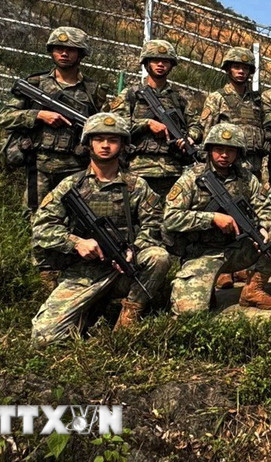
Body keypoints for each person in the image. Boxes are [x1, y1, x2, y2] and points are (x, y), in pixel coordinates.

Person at [30, 113, 170, 346]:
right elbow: (42, 228)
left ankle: (129, 315)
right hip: (83, 272)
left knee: (158, 257)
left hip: (122, 270)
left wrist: (134, 249)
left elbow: (154, 225)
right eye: (99, 139)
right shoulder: (71, 185)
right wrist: (76, 243)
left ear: (123, 145)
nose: (105, 145)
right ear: (88, 144)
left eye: (113, 140)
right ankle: (91, 307)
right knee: (44, 338)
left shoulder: (136, 186)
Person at [0, 26, 107, 290]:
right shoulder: (34, 84)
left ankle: (70, 269)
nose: (64, 53)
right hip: (40, 164)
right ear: (51, 51)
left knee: (77, 218)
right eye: (59, 48)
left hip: (76, 167)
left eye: (70, 49)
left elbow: (103, 126)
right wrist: (38, 116)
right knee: (36, 216)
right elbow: (4, 116)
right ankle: (44, 272)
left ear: (81, 54)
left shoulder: (93, 90)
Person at [163, 123, 271, 312]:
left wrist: (263, 226)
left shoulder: (246, 178)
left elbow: (264, 207)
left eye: (230, 150)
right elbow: (170, 218)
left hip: (237, 250)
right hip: (203, 254)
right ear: (209, 150)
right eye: (219, 149)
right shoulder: (192, 178)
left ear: (238, 153)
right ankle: (207, 288)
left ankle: (253, 290)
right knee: (189, 311)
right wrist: (212, 218)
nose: (224, 155)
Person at [107, 39, 201, 197]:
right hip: (138, 170)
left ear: (171, 65)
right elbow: (115, 127)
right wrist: (146, 124)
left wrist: (190, 138)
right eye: (156, 60)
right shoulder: (131, 95)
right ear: (146, 63)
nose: (160, 65)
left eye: (165, 61)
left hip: (173, 171)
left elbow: (196, 126)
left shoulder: (179, 99)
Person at [199, 47, 267, 179]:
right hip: (228, 168)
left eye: (245, 68)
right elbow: (206, 133)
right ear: (228, 69)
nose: (241, 71)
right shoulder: (217, 98)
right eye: (236, 67)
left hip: (255, 168)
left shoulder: (257, 100)